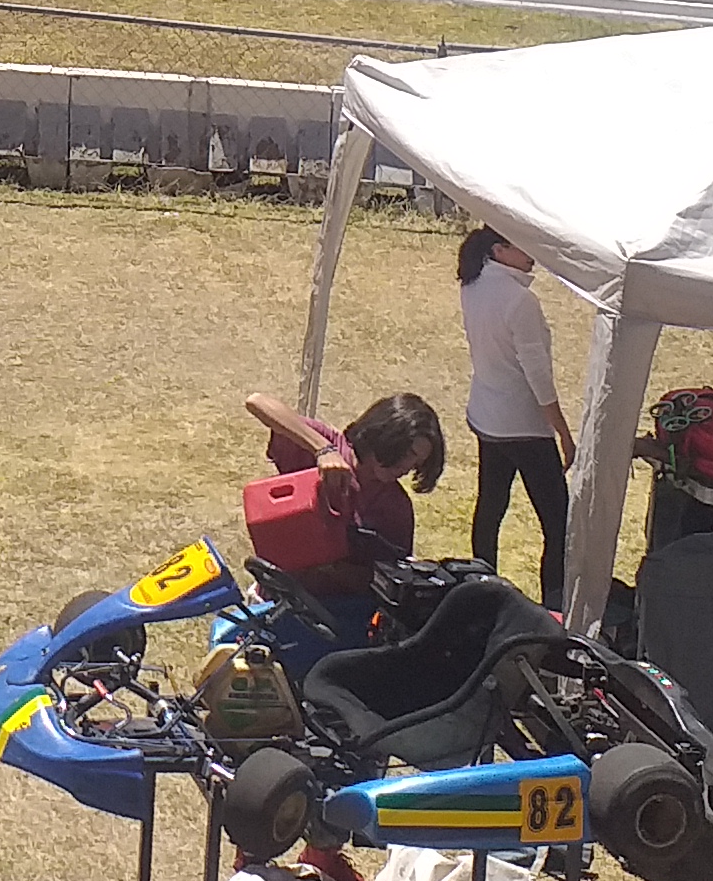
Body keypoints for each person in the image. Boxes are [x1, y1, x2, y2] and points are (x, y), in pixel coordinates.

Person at [456, 226, 573, 604]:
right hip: (523, 425)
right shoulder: (521, 301)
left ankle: (479, 587)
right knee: (557, 521)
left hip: (487, 416)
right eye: (522, 246)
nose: (531, 253)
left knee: (490, 507)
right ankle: (555, 601)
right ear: (499, 250)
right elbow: (537, 374)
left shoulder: (473, 285)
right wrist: (562, 430)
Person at [242, 389, 450, 580]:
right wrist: (322, 449)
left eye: (417, 463)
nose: (407, 467)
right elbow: (257, 402)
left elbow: (395, 577)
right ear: (387, 434)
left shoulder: (396, 507)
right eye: (408, 453)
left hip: (338, 604)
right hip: (280, 592)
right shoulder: (331, 448)